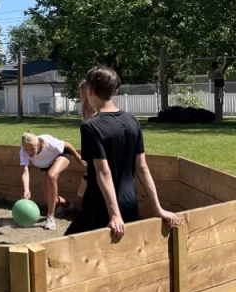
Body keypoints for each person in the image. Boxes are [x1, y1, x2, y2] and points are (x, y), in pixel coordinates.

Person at [65, 66, 179, 238]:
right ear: (116, 91)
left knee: (67, 252)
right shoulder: (132, 121)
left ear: (89, 90)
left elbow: (103, 172)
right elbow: (142, 168)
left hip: (101, 208)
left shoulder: (90, 127)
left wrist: (114, 215)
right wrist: (158, 208)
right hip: (130, 204)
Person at [19, 131, 84, 231]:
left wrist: (77, 157)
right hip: (46, 164)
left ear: (38, 144)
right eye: (26, 149)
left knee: (51, 176)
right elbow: (25, 172)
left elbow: (66, 144)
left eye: (32, 149)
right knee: (48, 198)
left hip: (61, 155)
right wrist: (26, 189)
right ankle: (67, 204)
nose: (29, 152)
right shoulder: (23, 151)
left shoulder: (48, 142)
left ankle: (51, 217)